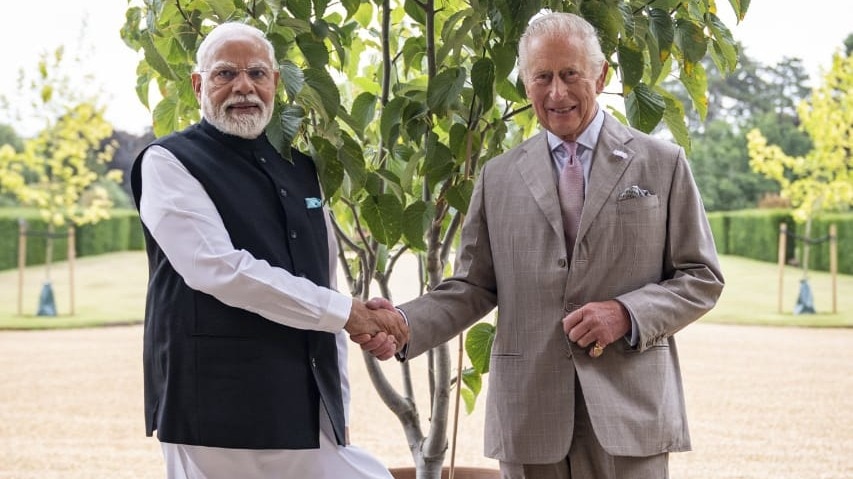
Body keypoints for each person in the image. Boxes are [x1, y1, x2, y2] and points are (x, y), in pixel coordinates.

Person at [360, 11, 724, 479]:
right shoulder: (497, 176)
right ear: (525, 83)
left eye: (571, 74)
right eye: (542, 77)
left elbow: (701, 277)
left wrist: (626, 314)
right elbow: (473, 285)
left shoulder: (663, 164)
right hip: (528, 415)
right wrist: (405, 323)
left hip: (631, 410)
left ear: (601, 74)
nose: (557, 92)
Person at [129, 22, 405, 479]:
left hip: (303, 403)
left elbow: (322, 281)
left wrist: (339, 401)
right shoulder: (168, 162)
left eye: (257, 73)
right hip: (212, 410)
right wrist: (347, 313)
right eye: (225, 74)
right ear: (198, 84)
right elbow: (220, 270)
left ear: (276, 82)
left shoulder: (302, 168)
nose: (244, 87)